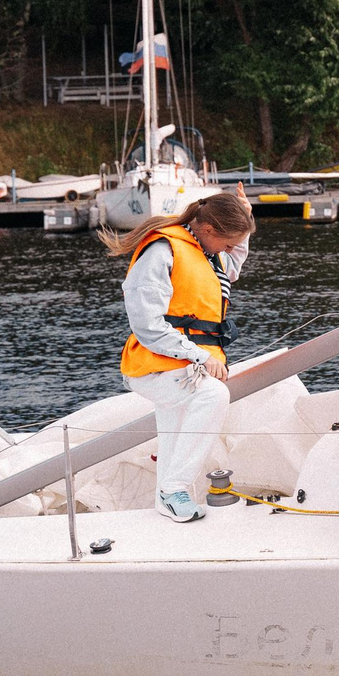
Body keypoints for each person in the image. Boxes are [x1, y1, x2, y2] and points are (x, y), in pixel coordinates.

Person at [120, 190, 256, 523]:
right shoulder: (162, 250)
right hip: (153, 367)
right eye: (228, 243)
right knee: (212, 395)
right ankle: (175, 488)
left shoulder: (209, 254)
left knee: (173, 434)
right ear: (209, 230)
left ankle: (165, 505)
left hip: (182, 367)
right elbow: (147, 325)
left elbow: (232, 265)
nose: (230, 251)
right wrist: (198, 355)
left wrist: (246, 218)